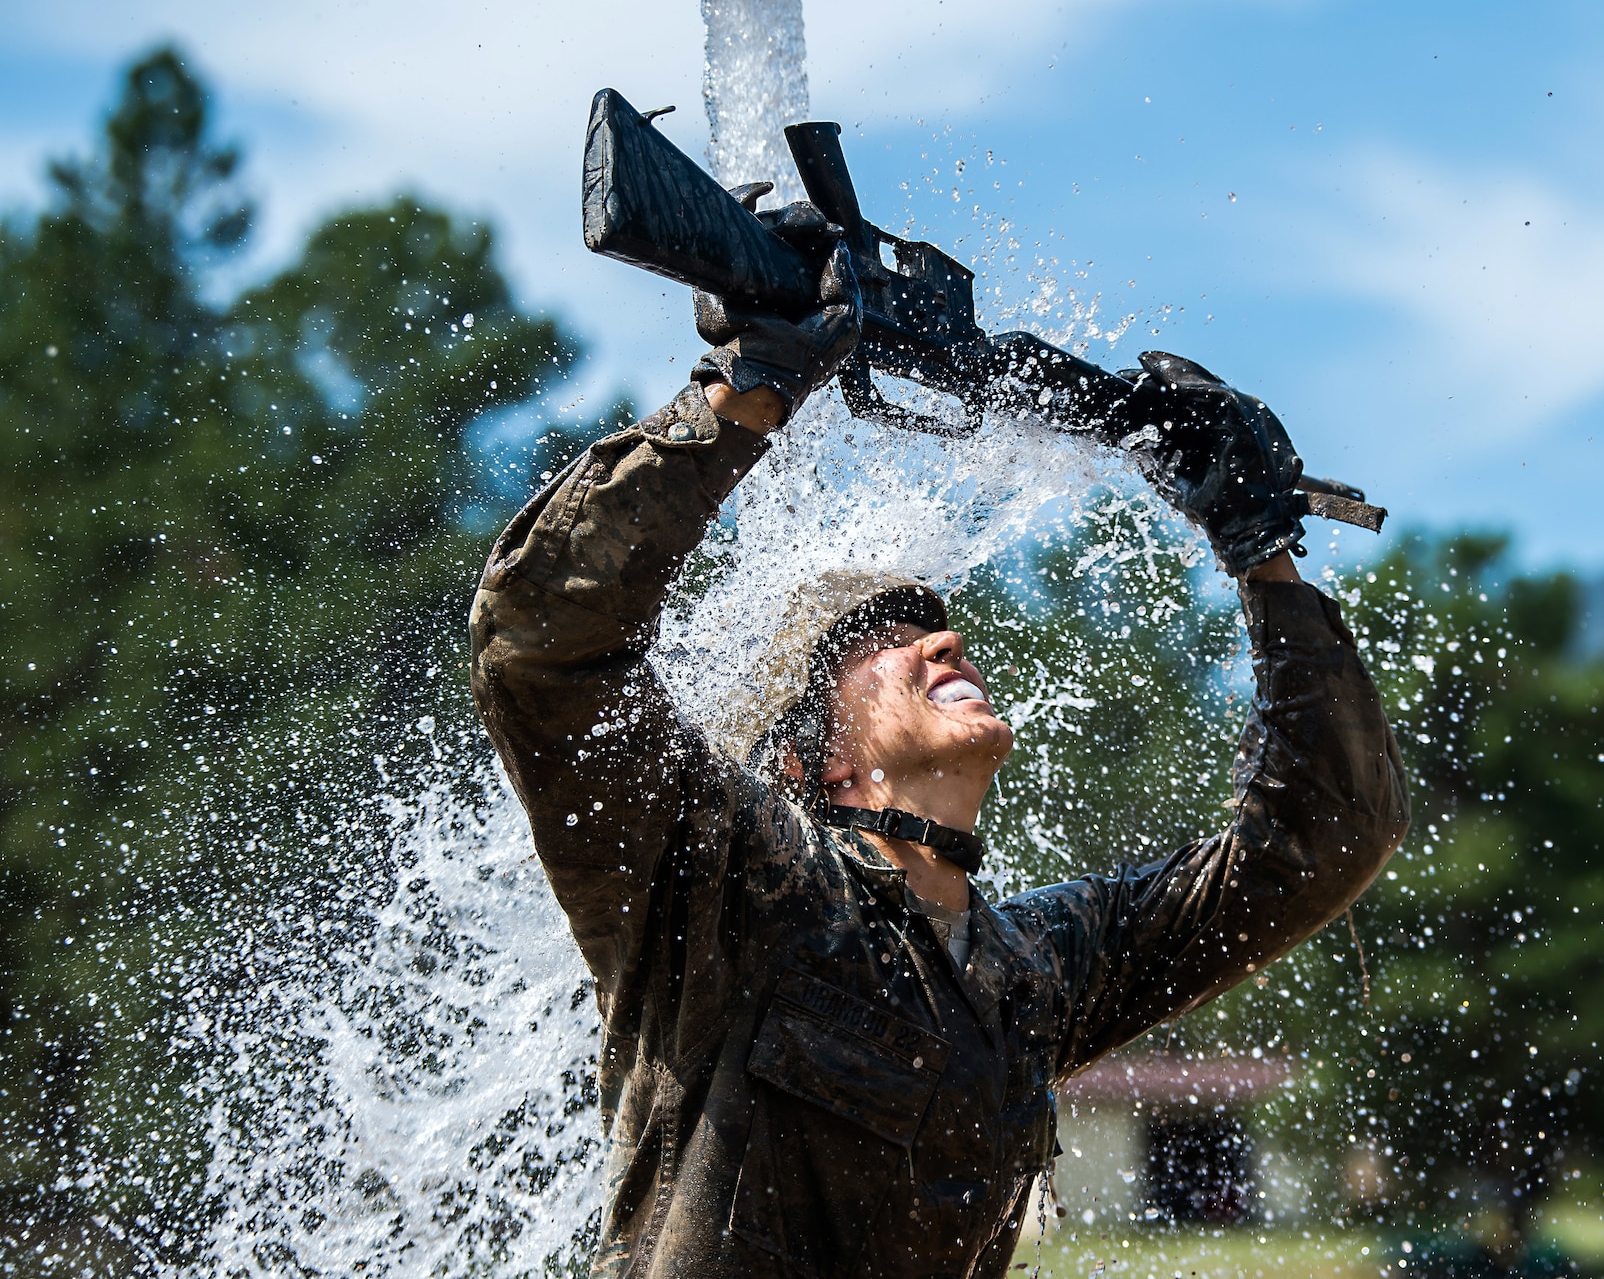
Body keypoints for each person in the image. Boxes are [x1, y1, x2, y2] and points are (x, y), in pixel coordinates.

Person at [469, 213, 1409, 1278]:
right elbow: (540, 639)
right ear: (810, 761)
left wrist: (1261, 555)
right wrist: (748, 390)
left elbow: (1320, 838)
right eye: (886, 639)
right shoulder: (724, 885)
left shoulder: (1031, 972)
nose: (947, 637)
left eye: (939, 625)